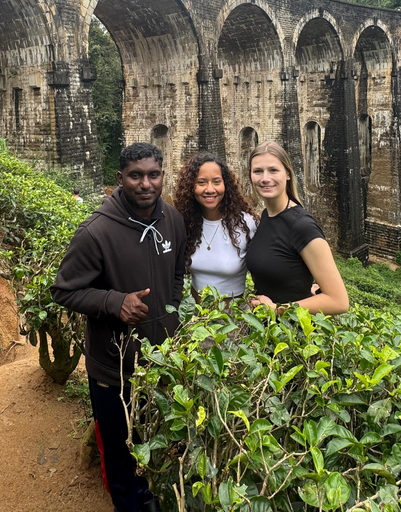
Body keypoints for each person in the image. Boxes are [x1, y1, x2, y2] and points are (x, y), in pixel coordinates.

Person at [51, 142, 185, 512]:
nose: (146, 184)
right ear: (119, 179)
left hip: (162, 361)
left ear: (163, 174)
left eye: (153, 175)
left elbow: (177, 273)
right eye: (135, 176)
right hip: (114, 367)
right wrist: (114, 302)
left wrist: (169, 317)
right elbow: (64, 291)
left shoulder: (172, 219)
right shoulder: (95, 232)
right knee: (119, 448)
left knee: (155, 440)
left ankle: (152, 500)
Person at [245, 141, 349, 315]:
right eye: (258, 171)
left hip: (292, 335)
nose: (265, 178)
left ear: (287, 174)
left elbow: (339, 301)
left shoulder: (302, 226)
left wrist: (277, 310)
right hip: (264, 331)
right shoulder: (266, 216)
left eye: (273, 170)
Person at [174, 152, 257, 297]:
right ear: (190, 187)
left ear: (226, 184)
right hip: (197, 316)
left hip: (235, 317)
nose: (210, 189)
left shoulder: (246, 224)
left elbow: (261, 274)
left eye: (217, 182)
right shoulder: (186, 223)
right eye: (201, 182)